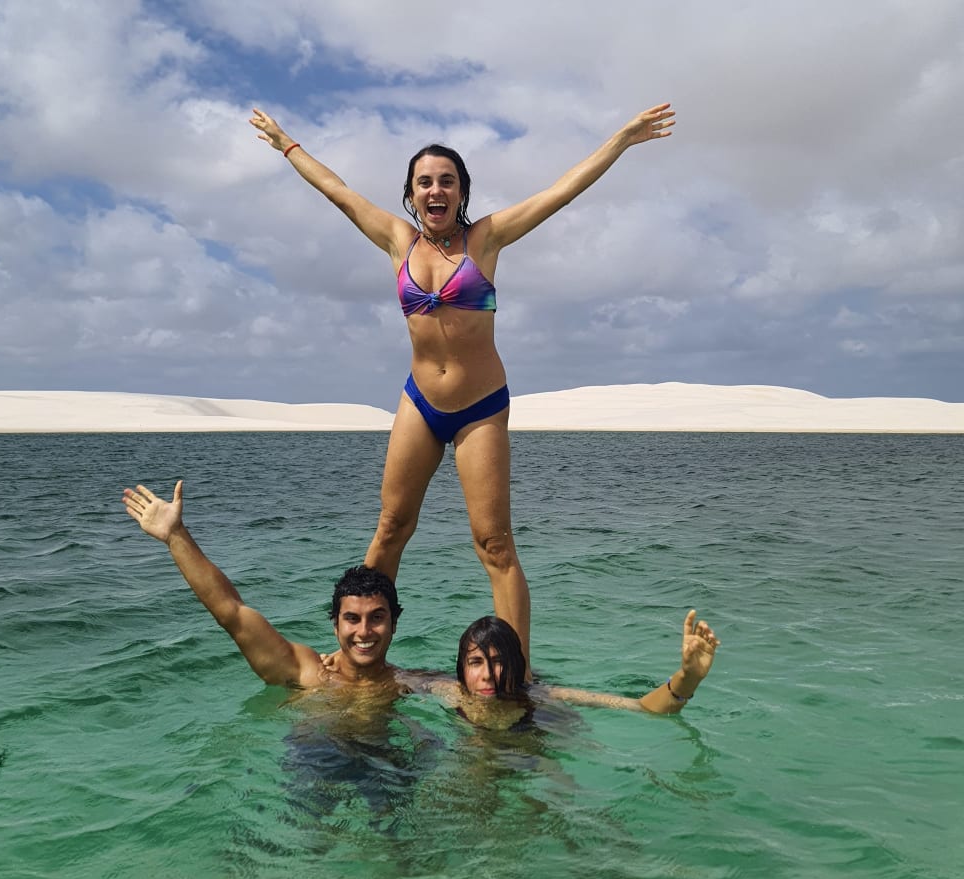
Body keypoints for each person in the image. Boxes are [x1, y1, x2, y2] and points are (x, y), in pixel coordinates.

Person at [248, 101, 677, 671]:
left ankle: (516, 669)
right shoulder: (399, 240)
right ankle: (357, 653)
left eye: (446, 181)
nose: (435, 190)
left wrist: (619, 140)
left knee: (494, 543)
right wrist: (287, 145)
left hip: (480, 407)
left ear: (461, 191)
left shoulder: (487, 239)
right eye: (424, 182)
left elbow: (560, 192)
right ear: (411, 192)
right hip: (419, 402)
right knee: (391, 528)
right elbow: (339, 191)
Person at [122, 480, 414, 695]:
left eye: (376, 617)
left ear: (394, 624)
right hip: (313, 768)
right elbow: (231, 613)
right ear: (335, 626)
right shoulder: (307, 673)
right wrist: (175, 536)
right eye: (352, 618)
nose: (364, 632)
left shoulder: (407, 684)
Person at [430, 613, 721, 730]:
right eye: (476, 662)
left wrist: (687, 677)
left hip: (529, 751)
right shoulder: (447, 691)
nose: (487, 675)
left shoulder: (542, 697)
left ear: (516, 666)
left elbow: (640, 707)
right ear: (461, 669)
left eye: (497, 661)